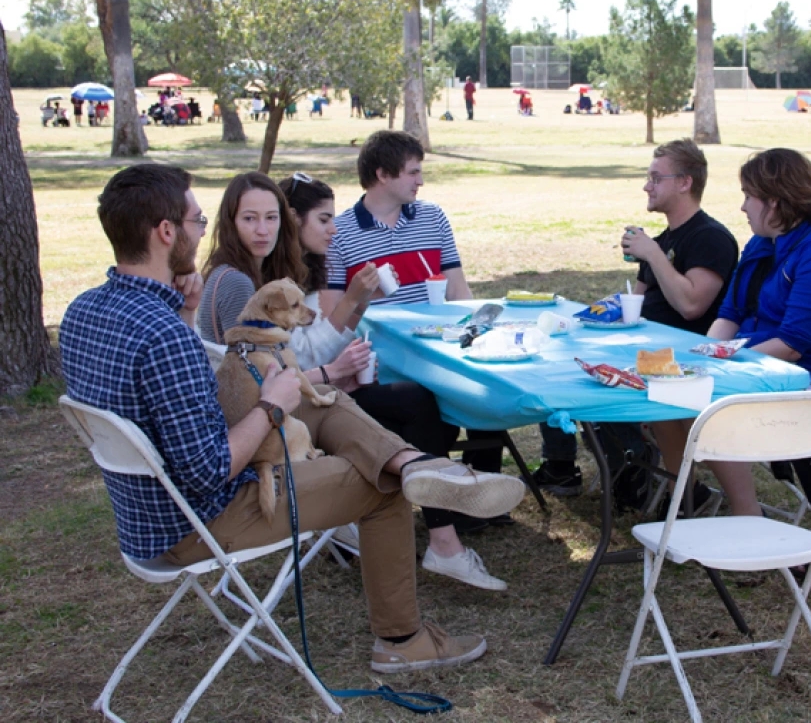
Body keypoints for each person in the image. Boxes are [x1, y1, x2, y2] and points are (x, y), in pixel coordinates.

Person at [62, 164, 524, 675]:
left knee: (319, 393)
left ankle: (413, 461)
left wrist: (191, 317)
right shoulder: (161, 335)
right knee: (379, 484)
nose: (199, 230)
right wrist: (270, 405)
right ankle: (402, 639)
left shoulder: (84, 310)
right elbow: (206, 471)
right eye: (195, 220)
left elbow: (168, 408)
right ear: (165, 232)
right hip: (197, 521)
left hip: (146, 518)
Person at [650, 148, 811, 577]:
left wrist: (717, 362)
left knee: (702, 399)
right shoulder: (762, 244)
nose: (741, 206)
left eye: (748, 195)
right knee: (671, 390)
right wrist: (703, 356)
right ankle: (690, 500)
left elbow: (793, 344)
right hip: (760, 367)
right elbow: (730, 314)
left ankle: (753, 519)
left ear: (775, 201)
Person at [279, 172, 509, 590]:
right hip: (300, 405)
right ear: (293, 220)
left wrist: (359, 305)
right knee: (416, 401)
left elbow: (325, 341)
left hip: (324, 388)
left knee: (423, 401)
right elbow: (304, 357)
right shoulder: (276, 282)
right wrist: (352, 305)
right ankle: (447, 514)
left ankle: (447, 509)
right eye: (324, 220)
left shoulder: (306, 267)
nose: (335, 229)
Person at [321, 130, 512, 534]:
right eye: (413, 172)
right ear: (382, 175)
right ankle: (455, 501)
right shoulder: (341, 233)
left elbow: (459, 289)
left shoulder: (432, 217)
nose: (420, 181)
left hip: (441, 345)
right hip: (387, 360)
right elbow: (331, 317)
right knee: (426, 407)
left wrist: (477, 330)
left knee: (487, 381)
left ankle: (483, 501)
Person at [533, 139, 739, 510]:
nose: (647, 186)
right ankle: (568, 466)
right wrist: (584, 317)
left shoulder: (710, 238)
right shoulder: (661, 240)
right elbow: (634, 304)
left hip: (678, 360)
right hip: (642, 348)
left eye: (655, 178)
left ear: (684, 182)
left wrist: (654, 254)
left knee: (600, 382)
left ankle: (638, 470)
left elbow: (692, 306)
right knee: (561, 358)